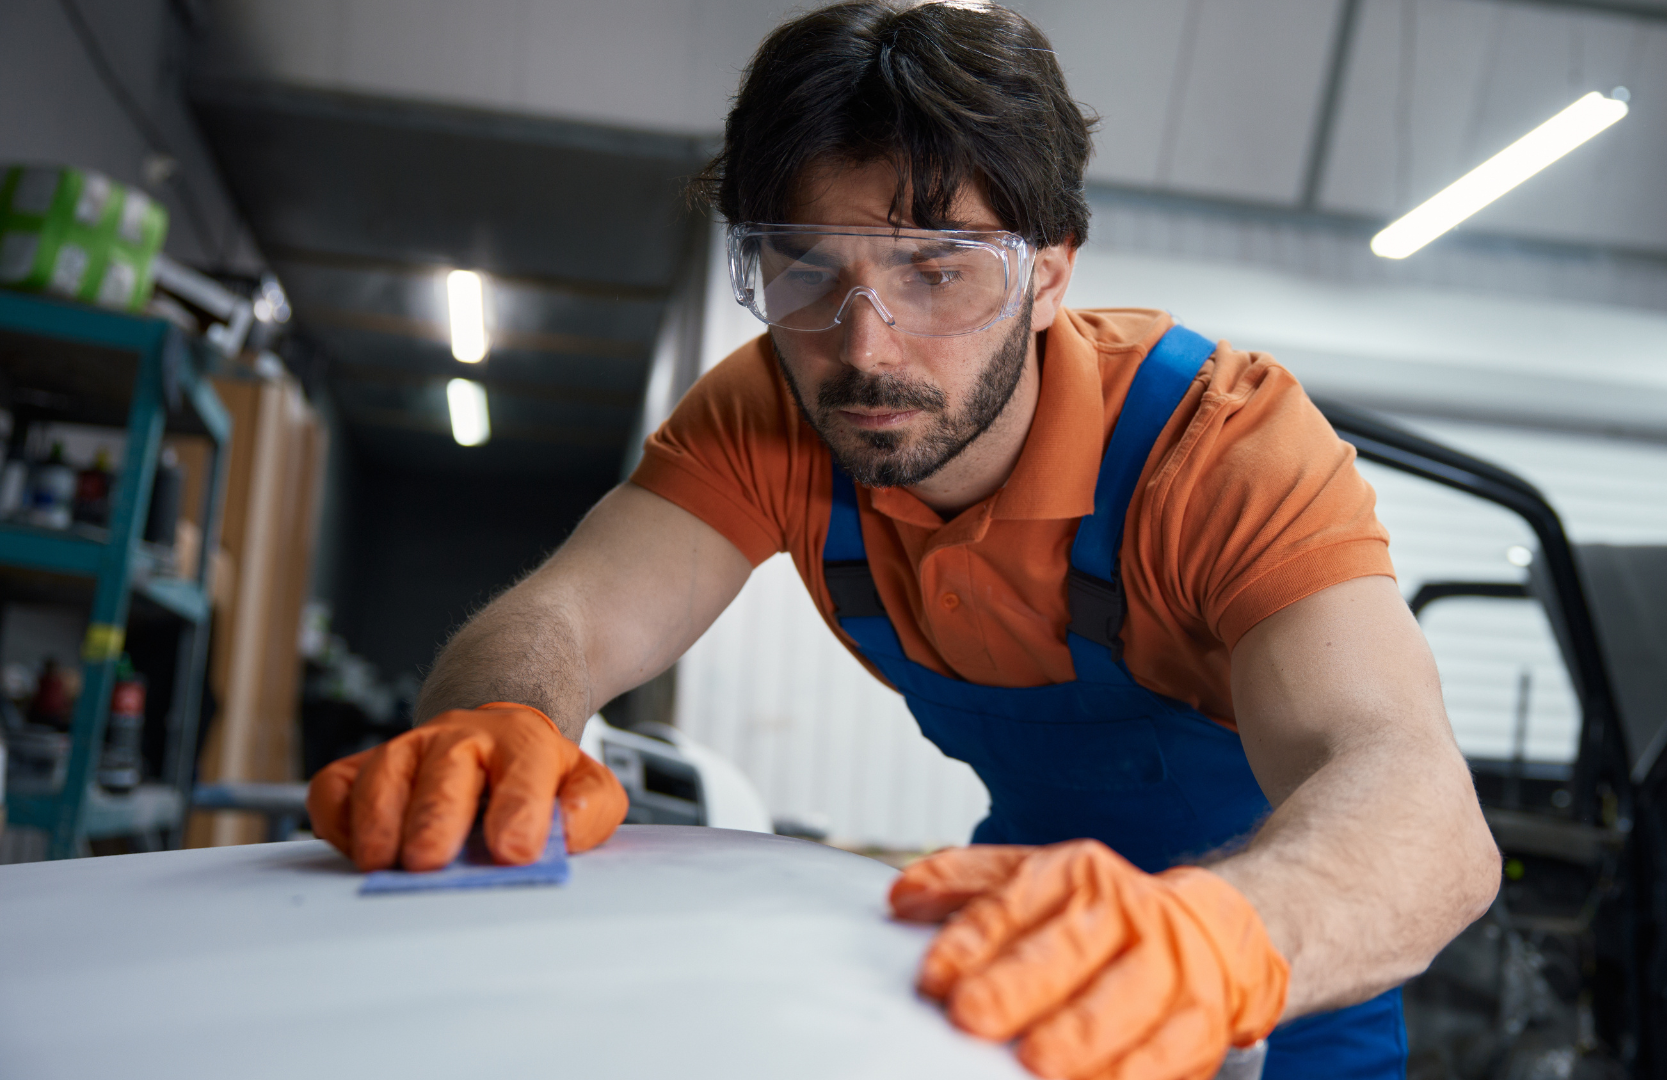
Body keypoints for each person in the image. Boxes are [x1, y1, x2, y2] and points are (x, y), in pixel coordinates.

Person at [306, 3, 1501, 1077]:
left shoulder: (1222, 446)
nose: (865, 348)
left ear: (1049, 275)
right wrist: (500, 720)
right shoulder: (772, 411)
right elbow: (562, 616)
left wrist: (1220, 940)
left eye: (938, 273)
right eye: (806, 269)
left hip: (1283, 961)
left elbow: (1420, 809)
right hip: (1009, 924)